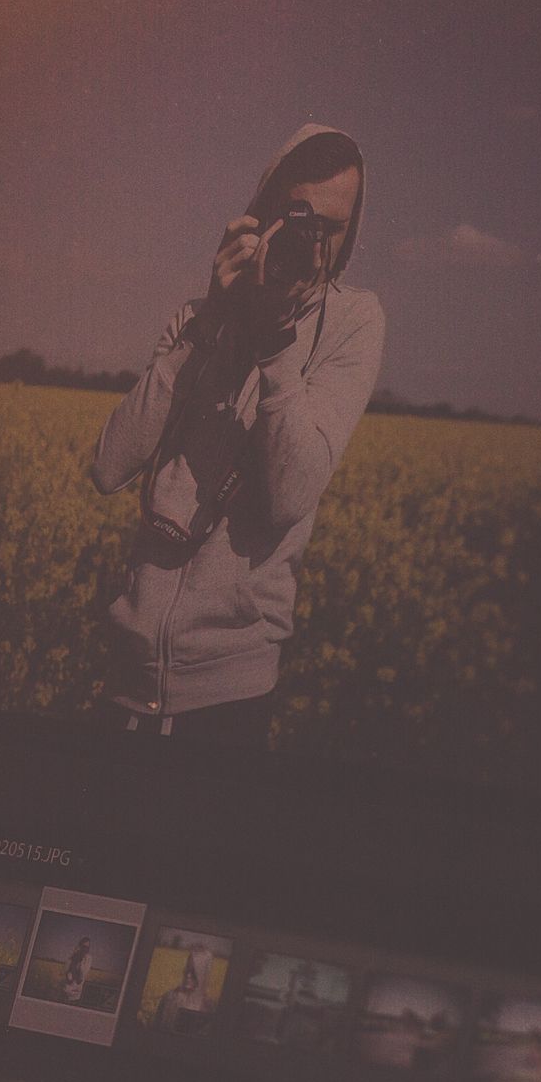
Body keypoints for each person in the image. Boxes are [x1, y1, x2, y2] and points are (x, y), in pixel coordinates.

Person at [84, 124, 387, 741]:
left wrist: (277, 350)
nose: (312, 245)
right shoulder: (198, 318)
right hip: (126, 680)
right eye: (298, 219)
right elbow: (109, 468)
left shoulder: (354, 323)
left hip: (230, 695)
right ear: (261, 213)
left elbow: (288, 498)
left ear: (351, 232)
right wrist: (210, 325)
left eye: (331, 230)